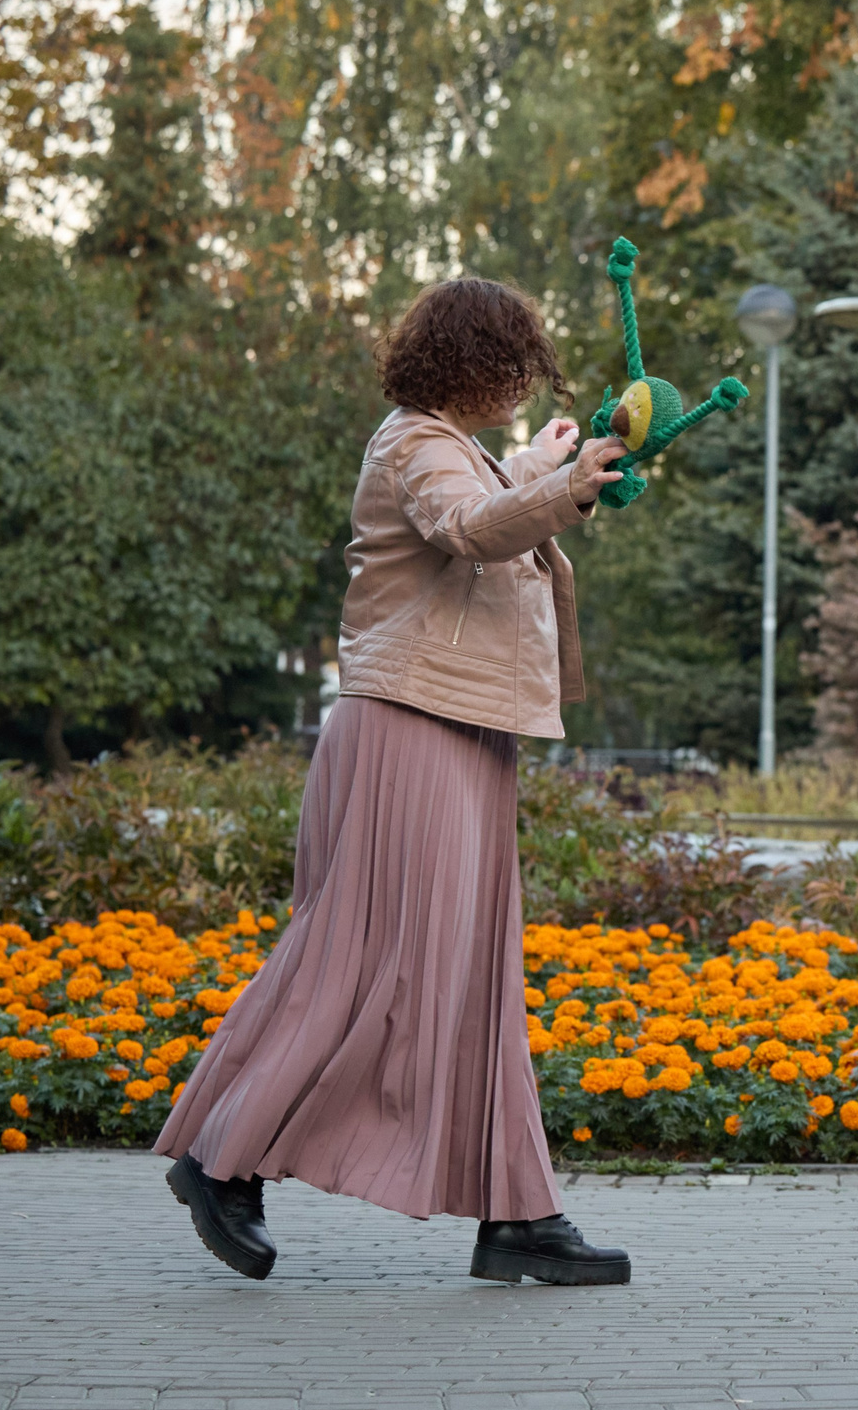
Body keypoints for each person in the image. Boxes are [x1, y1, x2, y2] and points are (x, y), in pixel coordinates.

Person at [154, 277, 634, 1286]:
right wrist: (564, 482)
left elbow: (475, 505)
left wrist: (540, 466)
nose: (517, 379)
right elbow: (463, 529)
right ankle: (219, 1158)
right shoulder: (413, 441)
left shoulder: (448, 449)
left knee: (474, 977)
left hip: (462, 728)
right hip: (410, 727)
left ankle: (518, 1214)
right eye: (508, 362)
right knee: (365, 961)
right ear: (467, 361)